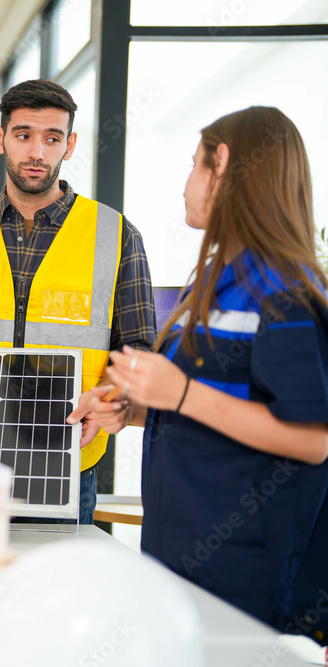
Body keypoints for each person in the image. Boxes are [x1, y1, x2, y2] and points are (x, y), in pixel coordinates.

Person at [88, 106, 328, 639]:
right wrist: (131, 407)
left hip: (243, 579)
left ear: (224, 168)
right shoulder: (217, 280)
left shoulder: (282, 291)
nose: (185, 187)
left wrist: (181, 394)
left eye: (195, 166)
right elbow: (212, 401)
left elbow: (312, 440)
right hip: (183, 558)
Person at [0, 79, 156, 524]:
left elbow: (141, 354)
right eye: (23, 135)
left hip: (68, 462)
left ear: (69, 145)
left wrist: (113, 398)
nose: (37, 152)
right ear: (1, 139)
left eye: (52, 138)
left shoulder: (116, 236)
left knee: (56, 591)